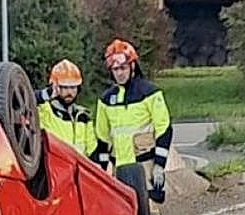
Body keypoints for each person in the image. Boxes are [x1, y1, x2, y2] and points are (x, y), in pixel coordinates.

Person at [94, 39, 173, 203]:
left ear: (132, 66)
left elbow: (164, 129)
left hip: (145, 165)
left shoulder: (150, 93)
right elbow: (102, 138)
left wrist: (159, 165)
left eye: (123, 68)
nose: (120, 73)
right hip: (119, 169)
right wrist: (102, 171)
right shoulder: (106, 100)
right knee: (124, 213)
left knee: (150, 212)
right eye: (115, 69)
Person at [36, 59, 99, 161]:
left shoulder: (83, 116)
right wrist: (45, 94)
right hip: (54, 172)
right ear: (54, 87)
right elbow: (23, 101)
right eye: (64, 87)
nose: (69, 92)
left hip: (79, 173)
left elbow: (92, 152)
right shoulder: (44, 111)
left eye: (73, 87)